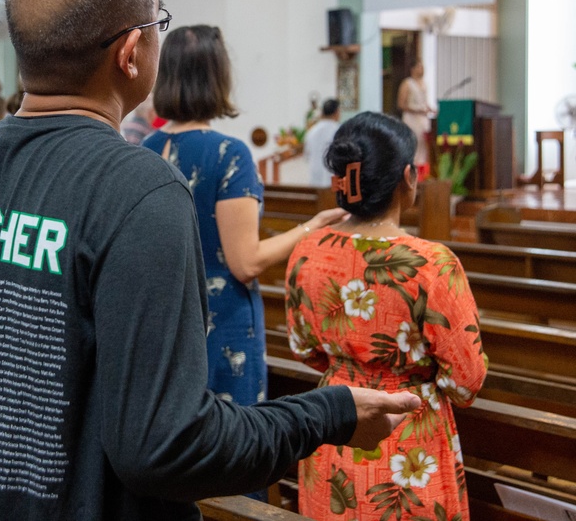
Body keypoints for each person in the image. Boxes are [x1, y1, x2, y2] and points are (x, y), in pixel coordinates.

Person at [0, 0, 420, 521]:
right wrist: (329, 415)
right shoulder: (137, 191)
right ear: (131, 52)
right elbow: (164, 448)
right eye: (157, 24)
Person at [142, 27, 347, 443]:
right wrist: (312, 227)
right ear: (218, 78)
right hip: (221, 322)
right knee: (231, 450)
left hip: (163, 318)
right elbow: (245, 261)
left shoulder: (144, 148)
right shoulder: (228, 153)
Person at [285, 111, 487, 521]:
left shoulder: (308, 250)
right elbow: (466, 382)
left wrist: (352, 369)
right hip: (408, 435)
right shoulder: (431, 264)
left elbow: (305, 348)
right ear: (408, 178)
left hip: (333, 423)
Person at [398, 61, 435, 172]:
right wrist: (417, 110)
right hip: (411, 118)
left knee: (424, 145)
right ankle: (411, 170)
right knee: (413, 144)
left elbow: (424, 102)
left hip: (423, 119)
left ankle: (423, 172)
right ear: (412, 69)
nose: (421, 69)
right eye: (419, 67)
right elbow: (401, 104)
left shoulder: (424, 83)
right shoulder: (407, 83)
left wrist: (430, 109)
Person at [304, 97, 341, 187]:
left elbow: (307, 156)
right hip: (332, 181)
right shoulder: (339, 131)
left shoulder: (311, 131)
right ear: (336, 112)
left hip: (314, 179)